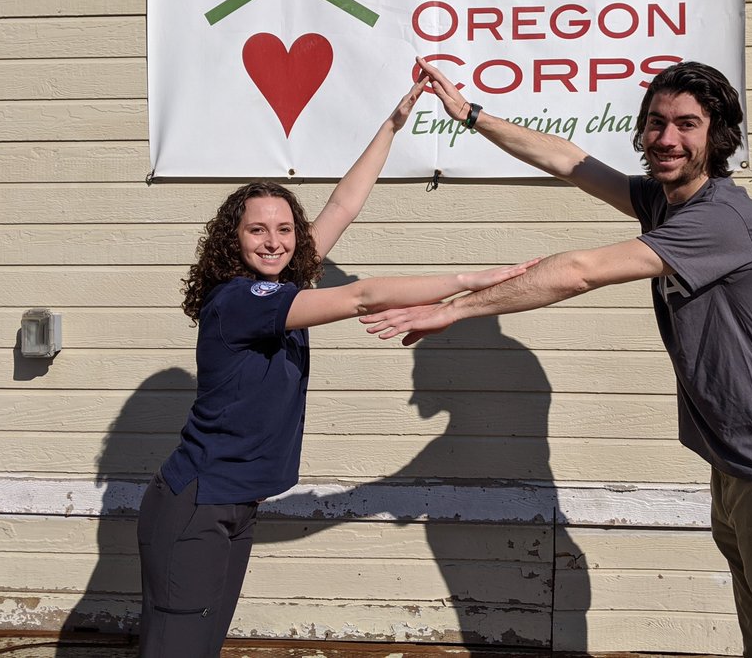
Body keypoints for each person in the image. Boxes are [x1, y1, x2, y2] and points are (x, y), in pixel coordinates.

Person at [363, 58, 752, 657]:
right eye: (656, 123)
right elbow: (566, 159)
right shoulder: (671, 203)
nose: (667, 138)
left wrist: (453, 308)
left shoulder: (722, 219)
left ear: (717, 137)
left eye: (687, 125)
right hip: (736, 462)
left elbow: (580, 271)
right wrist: (470, 114)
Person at [136, 76, 535, 658]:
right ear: (232, 238)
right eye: (257, 230)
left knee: (198, 646)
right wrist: (468, 283)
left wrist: (393, 125)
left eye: (284, 229)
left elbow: (344, 204)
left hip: (231, 505)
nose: (274, 241)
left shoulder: (284, 284)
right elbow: (361, 296)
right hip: (197, 507)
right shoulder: (239, 301)